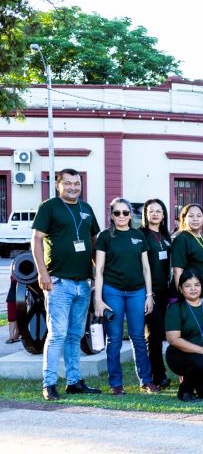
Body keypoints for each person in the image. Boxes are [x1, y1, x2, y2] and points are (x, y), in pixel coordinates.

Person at [32, 168, 102, 401]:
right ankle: (49, 383)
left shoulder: (87, 209)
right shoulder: (49, 206)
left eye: (77, 183)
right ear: (58, 185)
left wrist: (96, 274)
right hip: (59, 283)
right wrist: (43, 274)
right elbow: (37, 240)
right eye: (68, 183)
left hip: (83, 284)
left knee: (74, 335)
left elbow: (94, 242)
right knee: (57, 334)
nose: (73, 187)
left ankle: (74, 381)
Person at [93, 197, 158, 395]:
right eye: (117, 213)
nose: (122, 216)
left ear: (131, 215)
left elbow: (146, 268)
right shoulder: (105, 236)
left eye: (125, 212)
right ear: (112, 216)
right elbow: (100, 269)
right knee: (113, 339)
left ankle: (146, 381)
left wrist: (149, 295)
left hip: (137, 292)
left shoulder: (139, 235)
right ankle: (116, 384)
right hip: (112, 291)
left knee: (138, 337)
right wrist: (98, 299)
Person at [165, 269, 203, 402]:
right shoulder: (175, 308)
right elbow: (173, 339)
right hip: (179, 354)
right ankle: (184, 391)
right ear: (180, 289)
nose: (193, 289)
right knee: (201, 361)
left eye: (197, 285)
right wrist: (202, 351)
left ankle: (194, 382)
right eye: (188, 285)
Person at [139, 198, 173, 389]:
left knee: (158, 333)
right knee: (153, 334)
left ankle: (157, 373)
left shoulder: (166, 236)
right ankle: (157, 375)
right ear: (145, 214)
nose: (154, 214)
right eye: (151, 211)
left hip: (164, 291)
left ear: (163, 214)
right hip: (146, 292)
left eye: (158, 211)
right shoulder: (141, 234)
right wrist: (147, 293)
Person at [171, 204, 203, 304]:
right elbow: (177, 271)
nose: (195, 219)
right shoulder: (182, 239)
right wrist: (182, 296)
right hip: (191, 297)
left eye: (199, 216)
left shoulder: (202, 238)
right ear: (184, 219)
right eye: (191, 216)